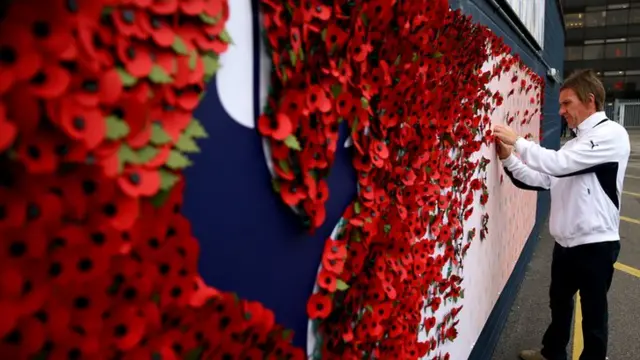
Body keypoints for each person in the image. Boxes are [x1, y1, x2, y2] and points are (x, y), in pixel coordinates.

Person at [492, 69, 629, 360]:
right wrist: (507, 158)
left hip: (596, 244)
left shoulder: (611, 134)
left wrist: (518, 141)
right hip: (565, 245)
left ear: (589, 100)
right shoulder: (576, 145)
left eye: (567, 103)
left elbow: (557, 164)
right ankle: (552, 353)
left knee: (593, 317)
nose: (561, 110)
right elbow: (542, 178)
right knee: (559, 304)